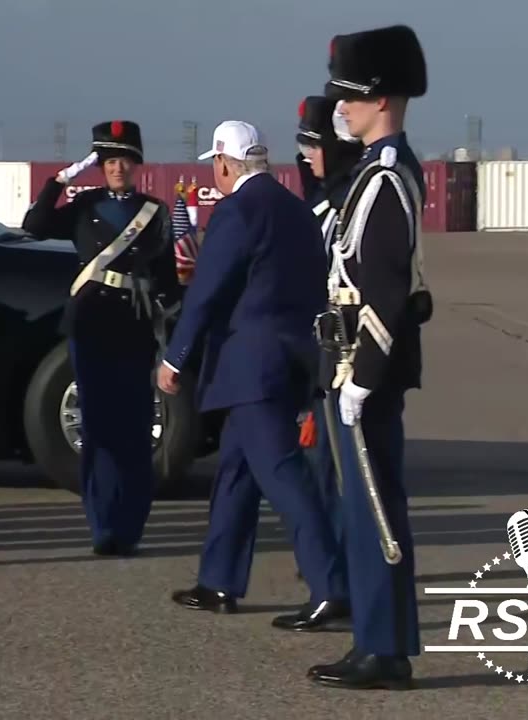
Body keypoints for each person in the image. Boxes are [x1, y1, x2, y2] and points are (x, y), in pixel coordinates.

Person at [157, 121, 347, 629]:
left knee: (284, 476)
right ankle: (218, 580)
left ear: (224, 163)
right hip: (290, 358)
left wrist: (175, 358)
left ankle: (332, 587)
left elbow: (207, 290)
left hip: (250, 365)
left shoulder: (236, 211)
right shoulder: (296, 210)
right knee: (236, 473)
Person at [306, 24, 429, 691]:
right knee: (366, 508)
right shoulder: (371, 172)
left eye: (349, 98)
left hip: (364, 372)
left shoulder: (385, 178)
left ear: (381, 99)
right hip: (351, 365)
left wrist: (364, 380)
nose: (340, 109)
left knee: (375, 512)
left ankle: (384, 649)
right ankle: (379, 640)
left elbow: (384, 289)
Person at [21, 120, 180, 557]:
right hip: (91, 323)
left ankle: (130, 524)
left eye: (124, 160)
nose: (117, 169)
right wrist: (59, 180)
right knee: (97, 427)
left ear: (136, 164)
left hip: (134, 324)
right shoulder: (83, 205)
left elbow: (165, 280)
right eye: (109, 161)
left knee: (134, 430)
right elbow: (34, 224)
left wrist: (176, 336)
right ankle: (102, 523)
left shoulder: (155, 211)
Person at [294, 96, 365, 563]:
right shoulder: (324, 200)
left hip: (348, 354)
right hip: (322, 351)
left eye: (313, 145)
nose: (306, 156)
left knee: (345, 472)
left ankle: (342, 567)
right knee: (322, 465)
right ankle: (331, 566)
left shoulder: (351, 199)